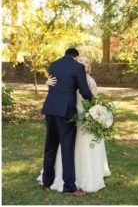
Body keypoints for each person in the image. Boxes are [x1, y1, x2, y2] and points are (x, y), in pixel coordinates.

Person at [38, 55, 110, 192]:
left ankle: (56, 181)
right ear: (75, 63)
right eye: (81, 61)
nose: (83, 64)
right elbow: (58, 88)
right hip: (68, 113)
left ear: (89, 66)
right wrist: (47, 83)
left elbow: (91, 98)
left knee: (60, 147)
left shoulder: (89, 79)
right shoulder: (72, 73)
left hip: (76, 114)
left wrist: (97, 111)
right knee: (65, 148)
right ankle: (66, 184)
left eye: (87, 62)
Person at [41, 48, 92, 197]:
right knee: (67, 149)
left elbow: (53, 84)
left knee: (49, 147)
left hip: (50, 109)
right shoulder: (77, 67)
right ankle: (69, 187)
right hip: (66, 112)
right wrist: (92, 102)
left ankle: (47, 182)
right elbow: (84, 90)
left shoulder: (54, 64)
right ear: (75, 57)